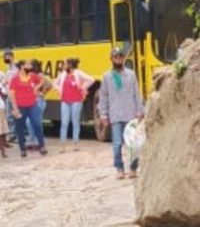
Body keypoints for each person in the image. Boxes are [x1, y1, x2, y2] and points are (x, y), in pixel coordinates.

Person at [98, 47, 144, 180]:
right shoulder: (107, 77)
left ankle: (133, 168)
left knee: (133, 143)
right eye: (116, 57)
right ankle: (119, 168)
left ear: (124, 58)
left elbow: (137, 94)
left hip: (130, 114)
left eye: (120, 56)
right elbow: (103, 97)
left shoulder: (130, 74)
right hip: (115, 115)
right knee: (117, 143)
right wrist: (103, 114)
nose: (118, 59)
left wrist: (139, 110)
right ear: (111, 59)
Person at [10, 61, 48, 157]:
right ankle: (22, 149)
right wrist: (15, 108)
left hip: (32, 105)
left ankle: (42, 146)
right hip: (20, 106)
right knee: (20, 128)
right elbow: (12, 95)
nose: (30, 66)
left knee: (37, 124)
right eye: (28, 65)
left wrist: (36, 88)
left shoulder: (33, 76)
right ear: (22, 66)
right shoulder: (15, 79)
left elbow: (43, 80)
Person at [55, 57, 94, 147]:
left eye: (65, 64)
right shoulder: (63, 74)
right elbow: (55, 83)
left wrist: (82, 87)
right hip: (65, 101)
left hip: (76, 101)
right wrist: (60, 90)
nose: (63, 66)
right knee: (64, 122)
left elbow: (91, 79)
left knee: (75, 122)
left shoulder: (78, 73)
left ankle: (76, 142)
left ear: (70, 65)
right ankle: (62, 143)